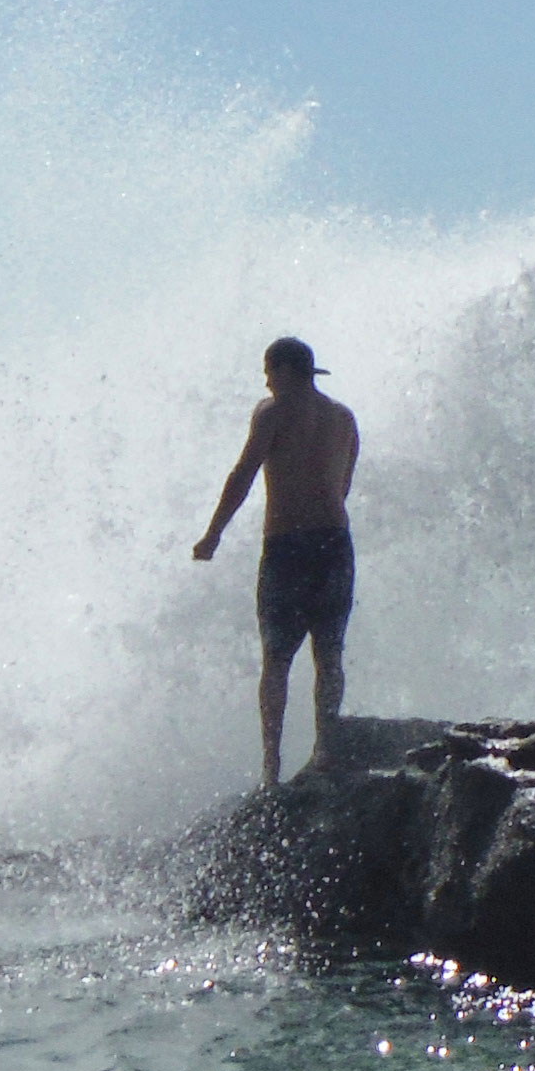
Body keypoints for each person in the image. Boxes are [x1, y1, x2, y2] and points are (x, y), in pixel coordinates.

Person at [190, 335, 361, 784]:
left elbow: (245, 471)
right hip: (335, 543)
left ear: (284, 370)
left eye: (269, 371)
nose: (266, 381)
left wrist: (213, 534)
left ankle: (271, 767)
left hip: (288, 545)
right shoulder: (344, 418)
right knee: (329, 653)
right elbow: (342, 486)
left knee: (277, 659)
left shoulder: (273, 411)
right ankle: (326, 751)